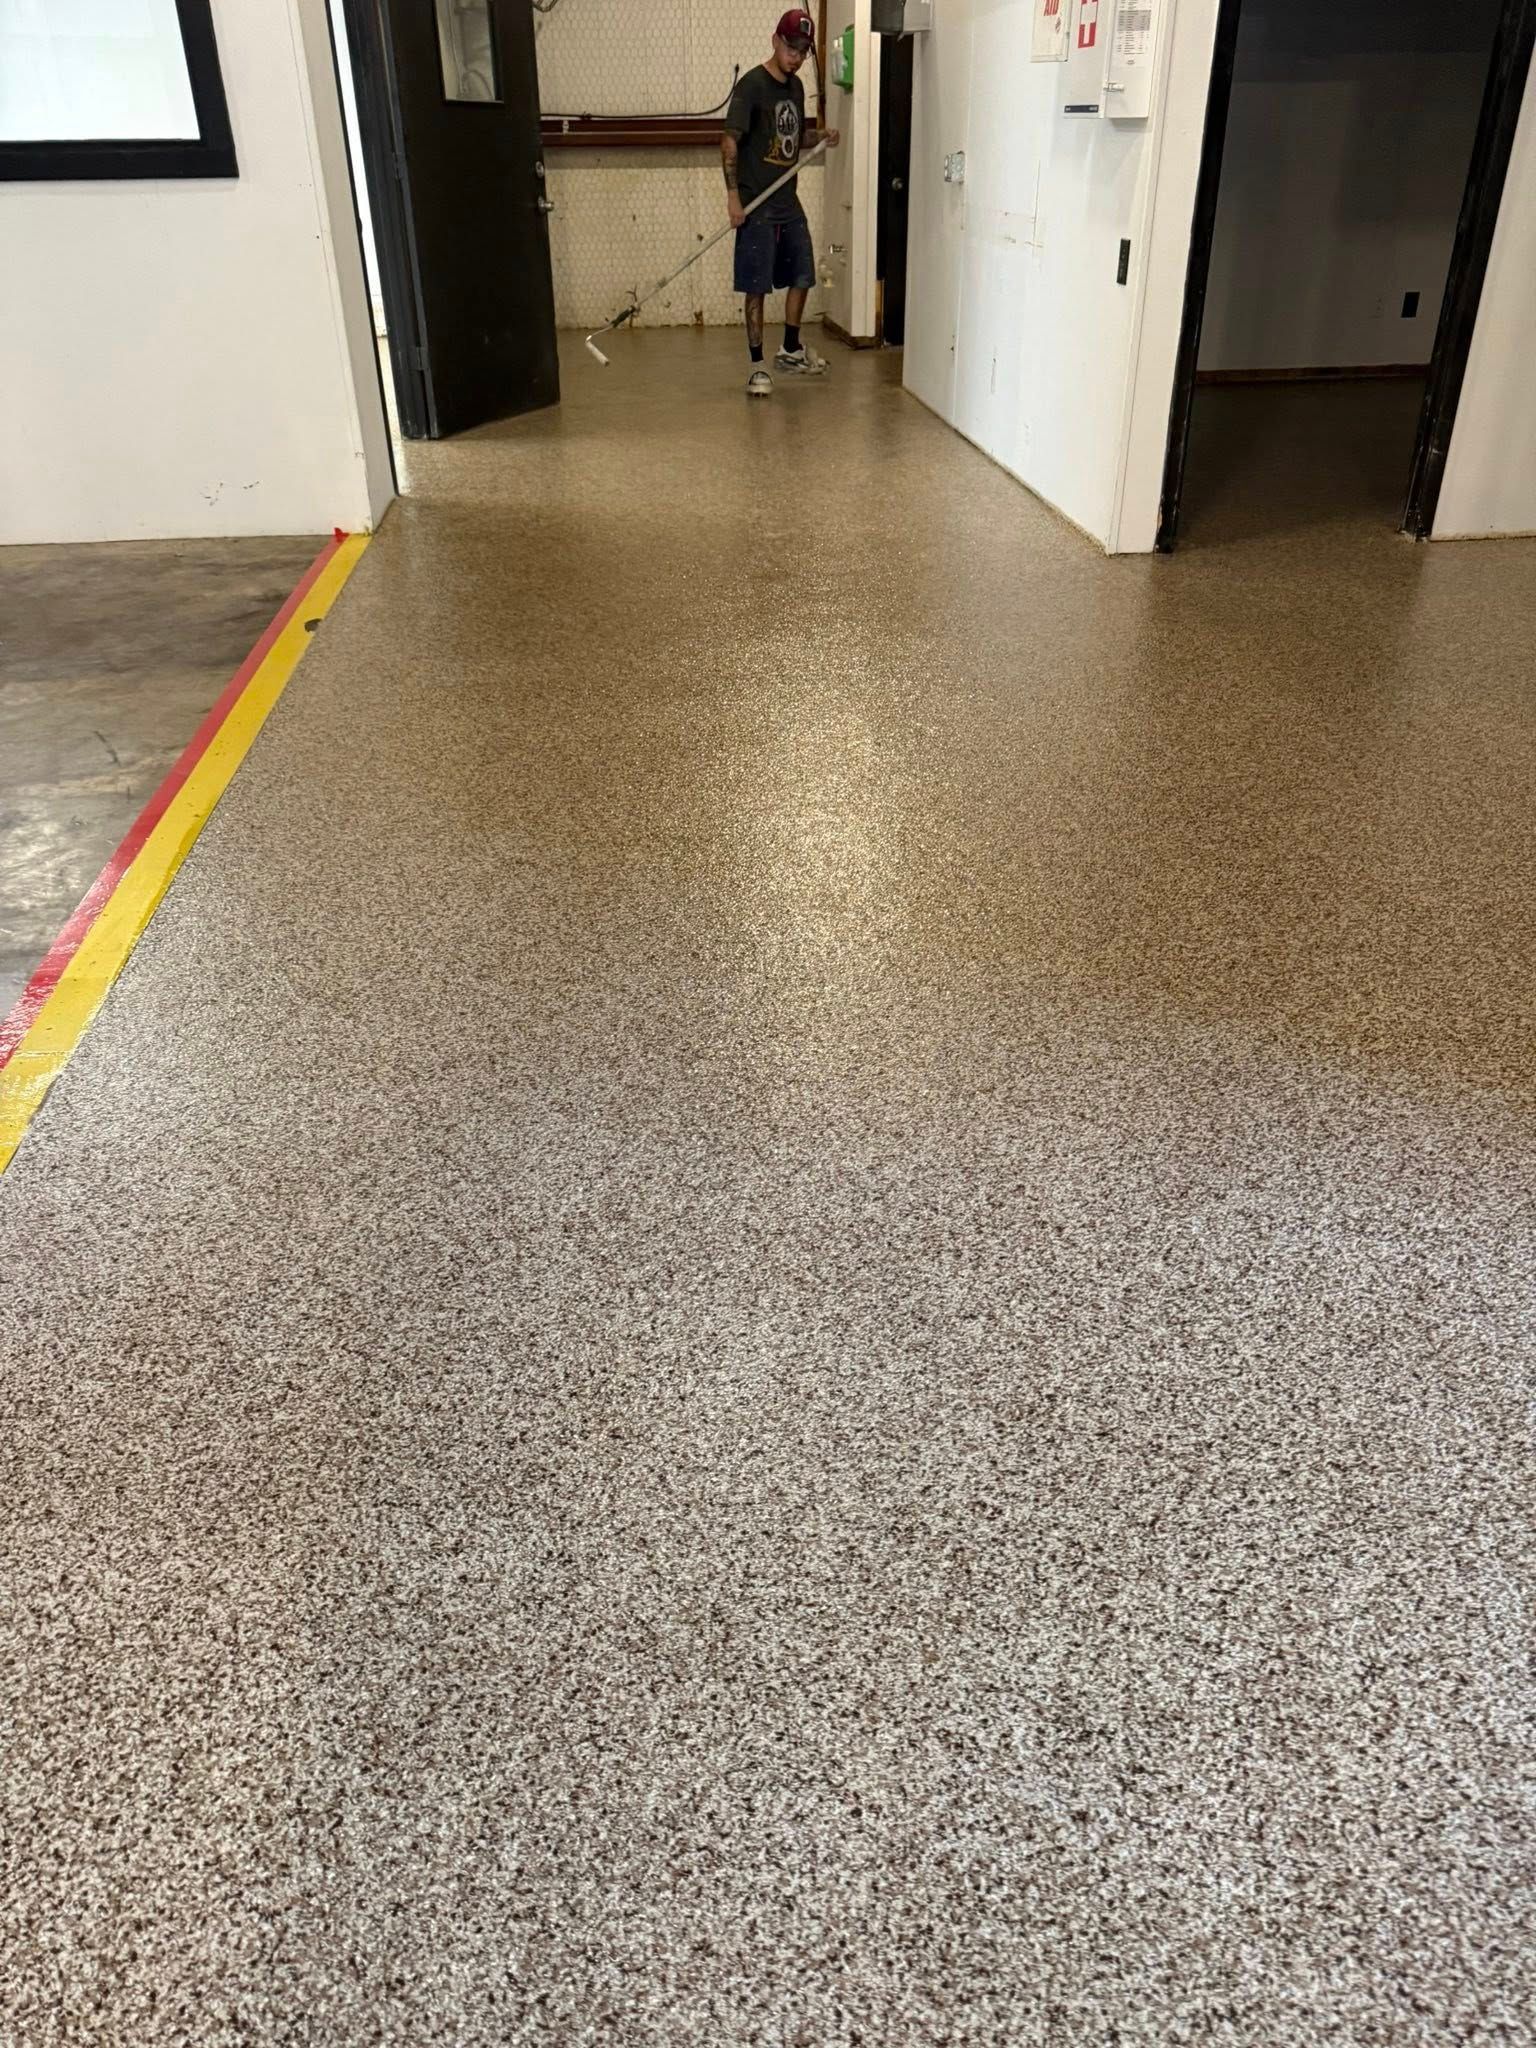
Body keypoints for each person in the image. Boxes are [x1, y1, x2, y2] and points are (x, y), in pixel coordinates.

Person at [722, 11, 840, 398]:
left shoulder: (795, 87)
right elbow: (730, 141)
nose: (796, 57)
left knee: (803, 274)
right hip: (757, 203)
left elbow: (793, 136)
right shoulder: (751, 86)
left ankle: (789, 347)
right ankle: (757, 366)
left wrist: (821, 135)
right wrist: (734, 197)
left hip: (788, 202)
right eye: (791, 48)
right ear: (775, 40)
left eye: (803, 51)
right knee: (756, 286)